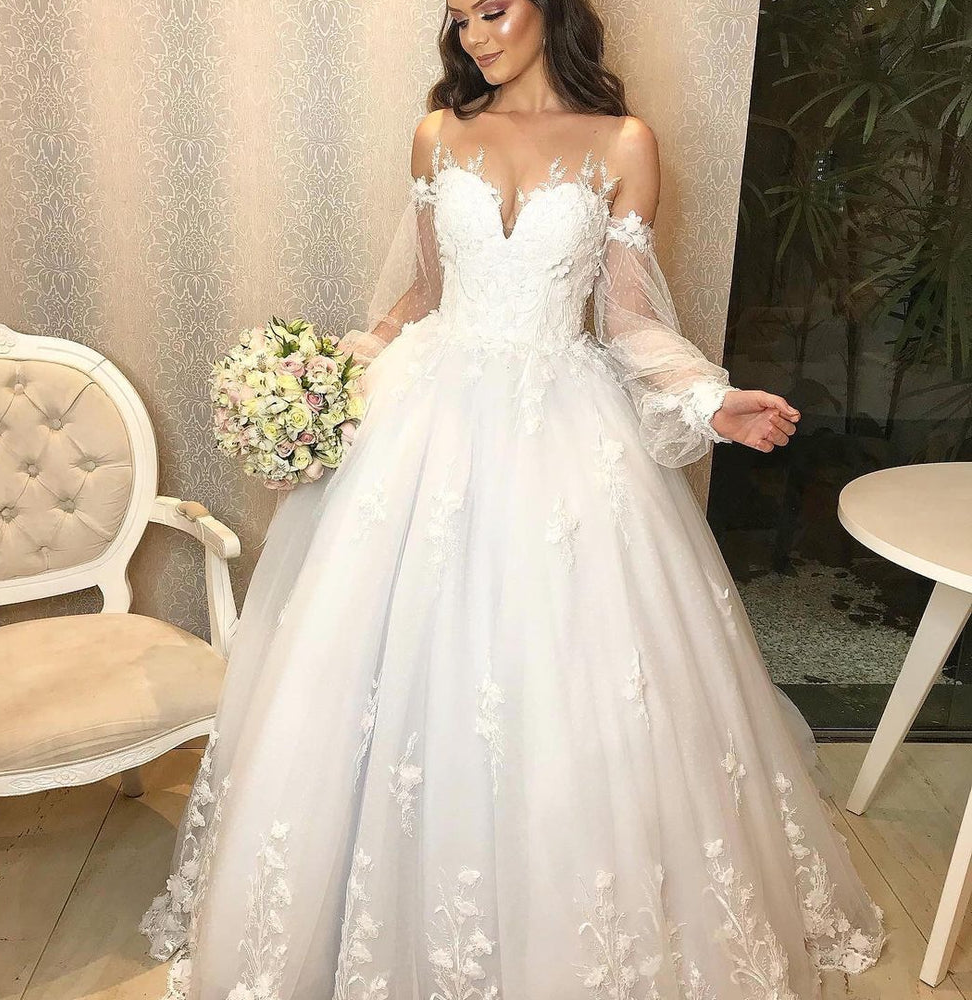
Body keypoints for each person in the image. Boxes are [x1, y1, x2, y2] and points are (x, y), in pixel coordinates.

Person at [139, 1, 887, 997]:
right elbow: (421, 296)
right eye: (458, 18)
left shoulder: (624, 143)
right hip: (425, 418)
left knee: (562, 673)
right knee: (382, 666)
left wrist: (709, 401)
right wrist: (329, 377)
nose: (475, 36)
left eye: (493, 9)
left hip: (560, 430)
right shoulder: (436, 132)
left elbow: (628, 317)